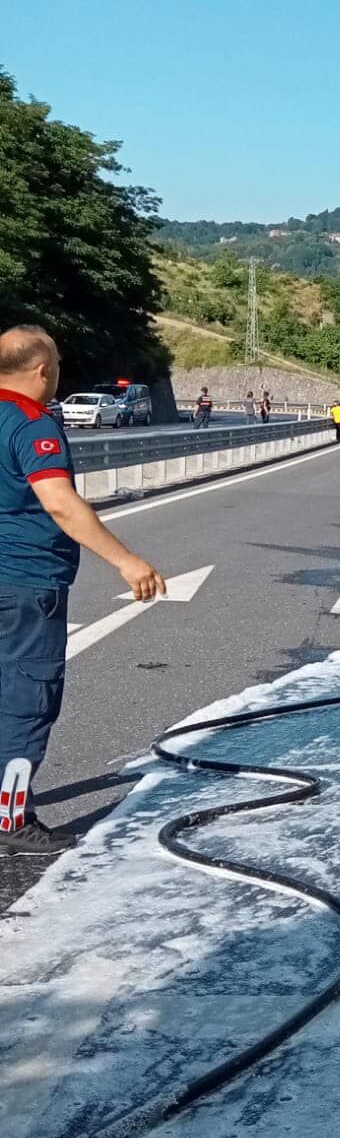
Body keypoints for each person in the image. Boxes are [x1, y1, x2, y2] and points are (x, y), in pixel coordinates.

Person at [0, 326, 166, 856]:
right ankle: (11, 820)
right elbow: (58, 502)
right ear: (42, 370)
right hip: (26, 580)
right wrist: (126, 560)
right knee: (27, 700)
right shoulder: (31, 425)